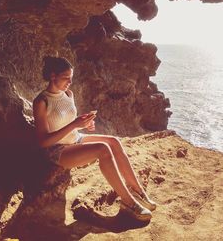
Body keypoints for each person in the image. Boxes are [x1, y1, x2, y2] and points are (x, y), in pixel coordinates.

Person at [33, 56, 156, 221]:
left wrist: (84, 124)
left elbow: (70, 122)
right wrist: (74, 124)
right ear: (53, 76)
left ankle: (138, 191)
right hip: (57, 150)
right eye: (66, 79)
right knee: (103, 149)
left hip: (75, 139)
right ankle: (128, 203)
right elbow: (43, 142)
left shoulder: (69, 94)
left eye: (71, 79)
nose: (69, 83)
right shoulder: (42, 101)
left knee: (113, 141)